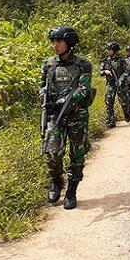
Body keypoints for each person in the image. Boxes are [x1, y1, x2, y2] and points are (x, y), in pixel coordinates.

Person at [40, 26, 94, 210]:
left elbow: (83, 89)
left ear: (69, 44)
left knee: (77, 154)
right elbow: (43, 87)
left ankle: (71, 190)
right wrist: (44, 100)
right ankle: (56, 182)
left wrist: (62, 101)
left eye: (59, 41)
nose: (55, 45)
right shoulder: (48, 64)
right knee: (52, 152)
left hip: (76, 115)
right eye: (53, 41)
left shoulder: (83, 64)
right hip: (55, 116)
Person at [99, 42, 126, 128]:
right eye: (107, 49)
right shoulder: (105, 61)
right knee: (108, 102)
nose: (108, 51)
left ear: (114, 51)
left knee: (123, 101)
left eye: (109, 49)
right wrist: (105, 71)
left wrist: (122, 80)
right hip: (110, 84)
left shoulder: (121, 61)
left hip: (120, 84)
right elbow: (100, 72)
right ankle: (110, 121)